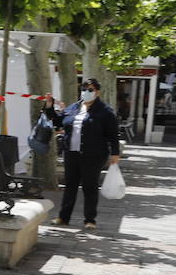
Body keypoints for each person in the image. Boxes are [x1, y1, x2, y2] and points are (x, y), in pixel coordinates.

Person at [44, 78, 121, 230]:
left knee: (89, 187)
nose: (86, 92)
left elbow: (113, 134)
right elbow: (58, 122)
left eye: (90, 90)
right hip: (71, 153)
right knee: (70, 186)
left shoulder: (105, 111)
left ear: (97, 92)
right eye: (84, 89)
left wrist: (115, 154)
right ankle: (63, 217)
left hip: (93, 155)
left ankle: (90, 220)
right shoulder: (74, 108)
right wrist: (49, 107)